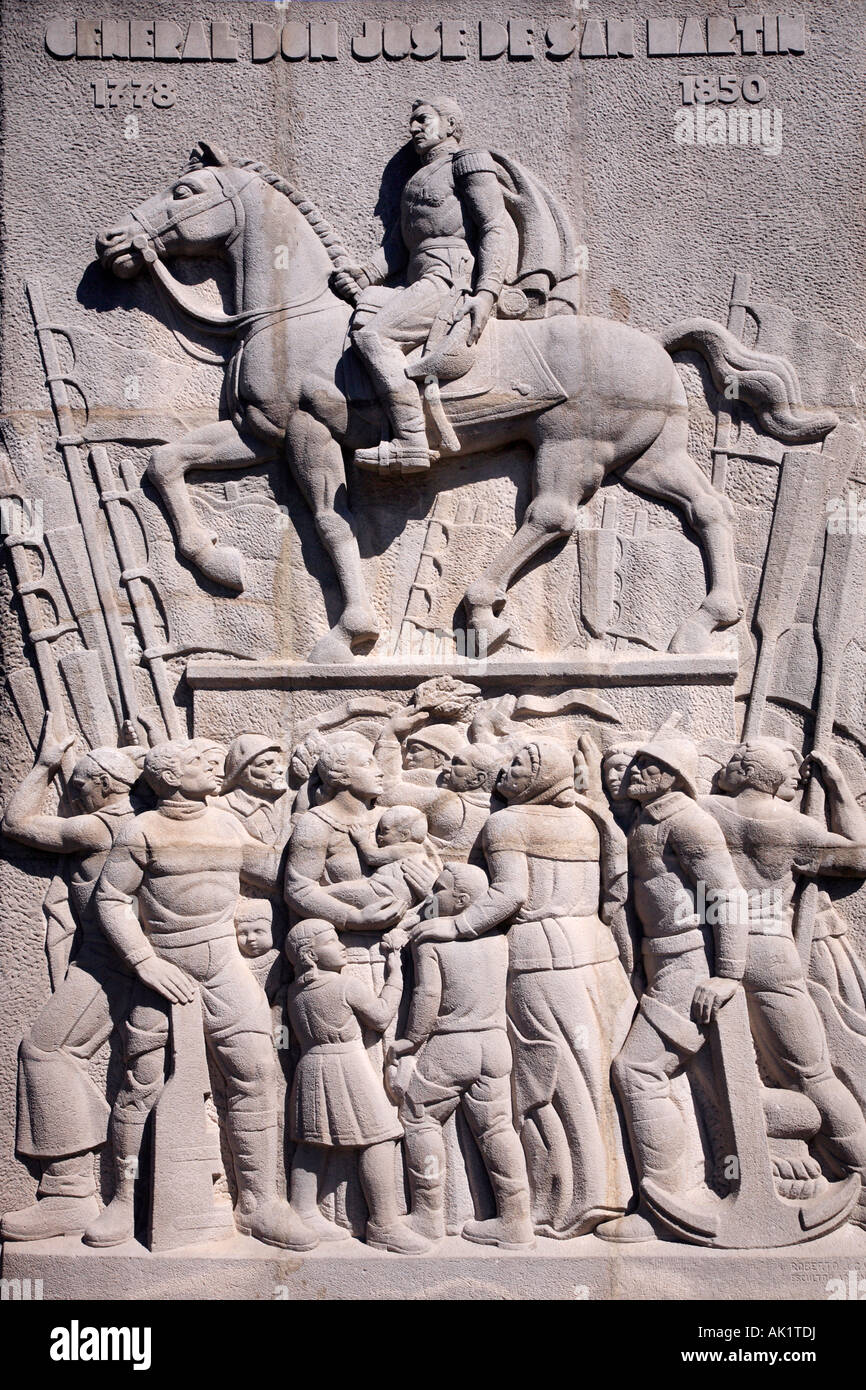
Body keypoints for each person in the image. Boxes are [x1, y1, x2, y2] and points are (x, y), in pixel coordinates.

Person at [84, 738, 313, 1251]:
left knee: (255, 1071)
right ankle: (126, 1199)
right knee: (140, 1082)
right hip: (164, 969)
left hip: (225, 966)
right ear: (167, 776)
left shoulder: (227, 823)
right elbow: (112, 899)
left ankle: (257, 1201)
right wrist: (145, 963)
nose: (212, 766)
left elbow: (273, 874)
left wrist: (326, 840)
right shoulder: (141, 830)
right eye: (196, 762)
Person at [411, 733, 634, 1237]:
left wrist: (456, 926)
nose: (508, 769)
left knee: (546, 1081)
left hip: (541, 957)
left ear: (545, 777)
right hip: (597, 955)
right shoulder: (588, 820)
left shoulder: (507, 822)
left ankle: (564, 1202)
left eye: (524, 763)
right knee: (596, 1074)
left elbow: (511, 892)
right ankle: (610, 1191)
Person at [700, 737, 866, 1227]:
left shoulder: (705, 812)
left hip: (708, 947)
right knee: (812, 1074)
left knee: (727, 1068)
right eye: (793, 772)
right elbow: (858, 855)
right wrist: (838, 787)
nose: (799, 778)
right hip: (770, 949)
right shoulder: (792, 825)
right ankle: (858, 1168)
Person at [597, 737, 748, 1243]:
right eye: (634, 762)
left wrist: (726, 972)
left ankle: (667, 1200)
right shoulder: (647, 818)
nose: (635, 770)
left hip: (687, 965)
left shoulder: (689, 821)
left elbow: (725, 893)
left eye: (647, 765)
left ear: (672, 774)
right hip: (658, 963)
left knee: (637, 1071)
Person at [1, 717, 145, 1242]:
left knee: (46, 1052)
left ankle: (70, 1192)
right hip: (117, 960)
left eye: (80, 782)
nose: (74, 791)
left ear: (106, 785)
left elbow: (16, 823)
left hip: (111, 964)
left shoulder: (97, 827)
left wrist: (41, 766)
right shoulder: (139, 818)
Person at [333, 98, 512, 474]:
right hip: (418, 278)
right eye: (411, 121)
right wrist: (364, 275)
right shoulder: (417, 178)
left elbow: (496, 226)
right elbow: (400, 245)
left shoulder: (466, 163)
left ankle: (411, 442)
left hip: (449, 279)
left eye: (422, 120)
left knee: (375, 337)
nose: (413, 128)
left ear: (449, 125)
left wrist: (486, 292)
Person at [390, 863, 533, 1249]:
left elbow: (426, 998)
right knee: (498, 1129)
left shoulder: (433, 942)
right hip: (494, 1044)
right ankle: (516, 1222)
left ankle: (427, 1216)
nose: (431, 898)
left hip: (453, 1044)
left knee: (418, 1117)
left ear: (464, 900)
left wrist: (410, 1041)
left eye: (439, 890)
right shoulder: (499, 938)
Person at [285, 918, 429, 1253]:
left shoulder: (294, 991)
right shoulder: (343, 985)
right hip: (345, 1064)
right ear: (310, 955)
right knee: (379, 1137)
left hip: (310, 1066)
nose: (341, 947)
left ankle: (302, 1209)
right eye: (332, 942)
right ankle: (384, 1225)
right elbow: (380, 1018)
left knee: (313, 1143)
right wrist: (396, 973)